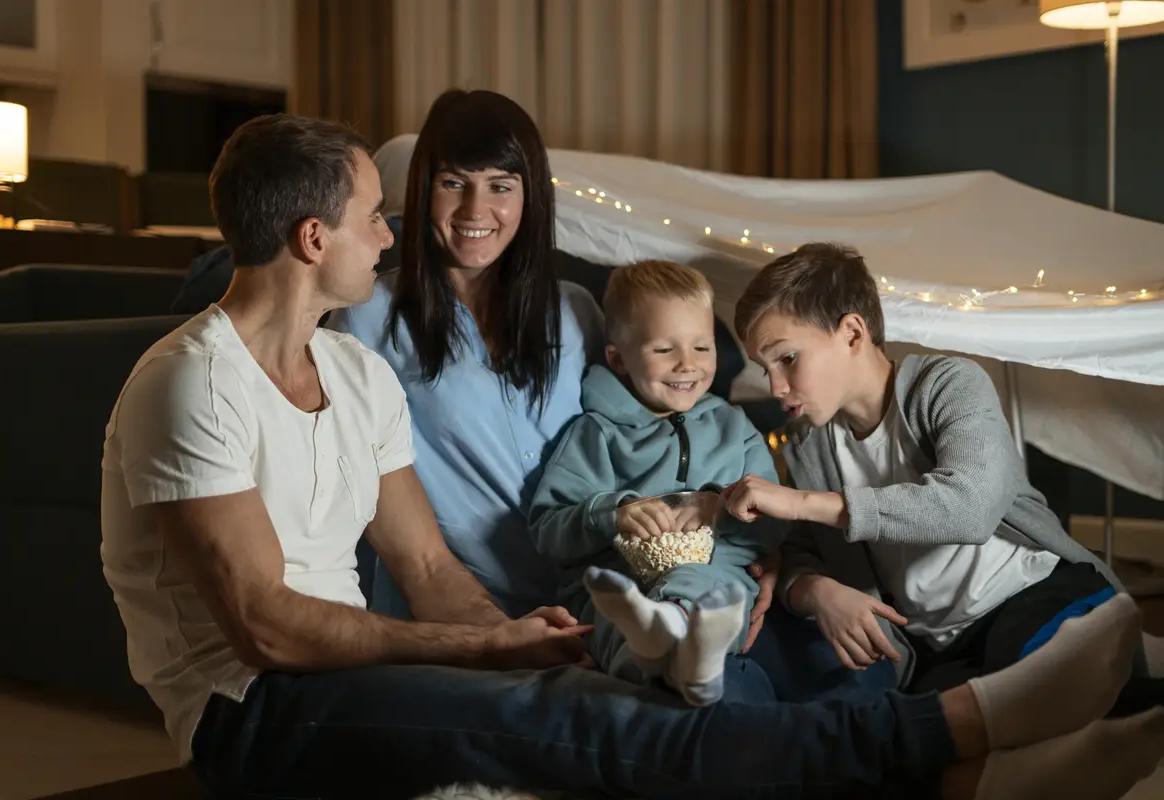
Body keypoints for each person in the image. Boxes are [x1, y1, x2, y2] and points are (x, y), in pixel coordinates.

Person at [100, 110, 1164, 800]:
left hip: (409, 642)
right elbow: (268, 626)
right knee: (588, 727)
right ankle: (958, 729)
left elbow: (426, 566)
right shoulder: (195, 377)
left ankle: (974, 779)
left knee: (617, 706)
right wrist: (483, 653)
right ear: (312, 240)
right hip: (257, 710)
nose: (395, 235)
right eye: (382, 214)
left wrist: (522, 632)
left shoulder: (358, 373)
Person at [325, 89, 784, 636]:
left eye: (500, 186)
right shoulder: (367, 318)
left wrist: (746, 553)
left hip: (604, 602)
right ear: (424, 187)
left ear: (530, 196)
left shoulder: (577, 313)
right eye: (453, 183)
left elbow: (653, 441)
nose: (476, 210)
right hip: (459, 611)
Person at [723, 242, 1160, 709]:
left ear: (852, 333)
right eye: (764, 368)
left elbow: (969, 507)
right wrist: (814, 590)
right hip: (937, 644)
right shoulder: (809, 445)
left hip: (1033, 593)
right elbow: (800, 552)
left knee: (1043, 696)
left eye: (787, 358)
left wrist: (800, 502)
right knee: (923, 740)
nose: (774, 387)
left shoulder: (949, 384)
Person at [527, 260, 794, 706]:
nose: (687, 364)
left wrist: (722, 508)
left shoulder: (734, 427)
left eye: (701, 348)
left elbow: (773, 523)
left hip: (716, 574)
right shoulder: (597, 433)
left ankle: (681, 640)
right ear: (618, 358)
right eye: (664, 350)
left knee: (713, 589)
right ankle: (664, 658)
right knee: (609, 612)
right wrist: (611, 514)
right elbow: (547, 529)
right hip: (624, 584)